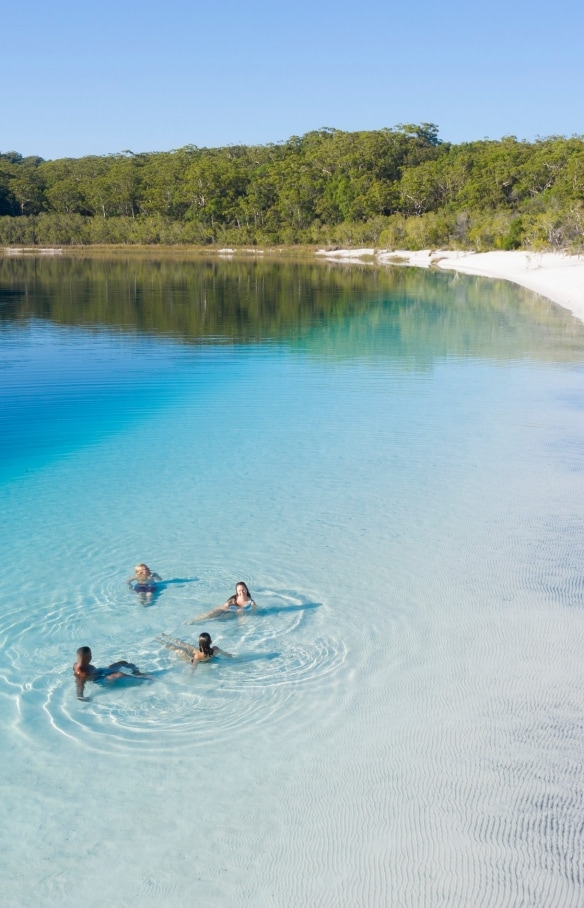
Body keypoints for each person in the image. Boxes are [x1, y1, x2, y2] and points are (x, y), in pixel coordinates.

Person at [73, 646, 152, 700]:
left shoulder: (76, 665)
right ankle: (144, 680)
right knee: (119, 674)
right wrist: (80, 696)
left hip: (100, 671)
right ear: (89, 657)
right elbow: (79, 684)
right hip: (100, 680)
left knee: (123, 663)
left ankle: (137, 673)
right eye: (90, 655)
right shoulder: (81, 672)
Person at [186, 581, 256, 623]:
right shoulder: (233, 599)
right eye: (239, 591)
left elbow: (254, 612)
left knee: (215, 620)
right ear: (237, 592)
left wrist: (241, 613)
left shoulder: (251, 602)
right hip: (225, 609)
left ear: (246, 589)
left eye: (243, 590)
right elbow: (224, 607)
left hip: (233, 614)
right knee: (209, 614)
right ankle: (193, 620)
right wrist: (227, 607)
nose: (242, 592)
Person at [158, 632, 233, 664]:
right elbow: (227, 654)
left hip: (192, 660)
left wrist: (191, 675)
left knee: (180, 650)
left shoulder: (197, 656)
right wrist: (232, 656)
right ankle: (166, 637)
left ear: (199, 642)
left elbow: (193, 666)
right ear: (211, 642)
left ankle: (160, 640)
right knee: (187, 646)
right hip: (204, 655)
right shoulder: (215, 649)